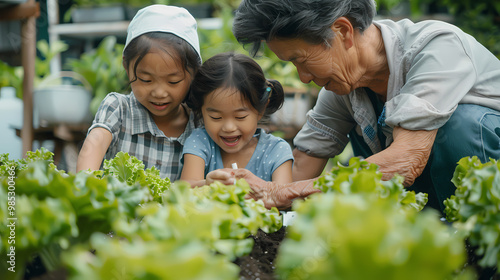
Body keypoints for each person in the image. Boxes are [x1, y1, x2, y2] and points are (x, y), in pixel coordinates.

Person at [230, 0, 500, 212]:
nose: (304, 77)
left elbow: (405, 161)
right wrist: (248, 194)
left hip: (486, 207)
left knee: (458, 126)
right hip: (434, 201)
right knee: (366, 163)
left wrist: (287, 193)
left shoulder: (438, 48)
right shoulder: (345, 84)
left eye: (300, 60)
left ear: (343, 31)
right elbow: (301, 165)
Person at [76, 5, 202, 180]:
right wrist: (85, 183)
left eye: (173, 81)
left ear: (194, 73)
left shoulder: (198, 124)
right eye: (146, 80)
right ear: (127, 67)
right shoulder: (118, 108)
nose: (159, 93)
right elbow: (94, 145)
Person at [180, 52, 293, 187]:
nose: (229, 127)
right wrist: (207, 184)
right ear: (201, 110)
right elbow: (185, 188)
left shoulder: (276, 150)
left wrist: (255, 188)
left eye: (240, 117)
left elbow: (283, 197)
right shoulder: (200, 142)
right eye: (216, 117)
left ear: (261, 110)